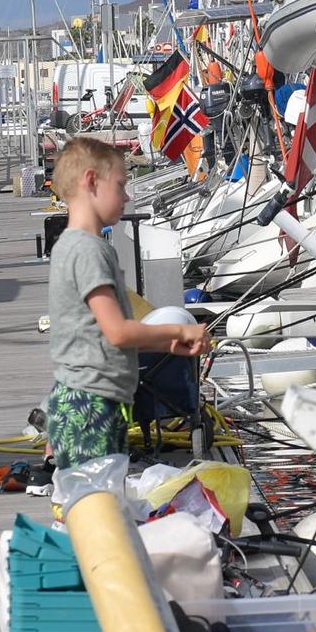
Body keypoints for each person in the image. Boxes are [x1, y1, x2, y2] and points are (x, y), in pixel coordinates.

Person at [46, 137, 208, 467]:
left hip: (84, 399)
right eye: (120, 186)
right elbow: (116, 332)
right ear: (91, 181)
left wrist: (166, 346)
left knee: (92, 504)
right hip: (91, 406)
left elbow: (94, 334)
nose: (127, 196)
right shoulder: (88, 251)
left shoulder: (73, 245)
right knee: (96, 506)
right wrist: (179, 330)